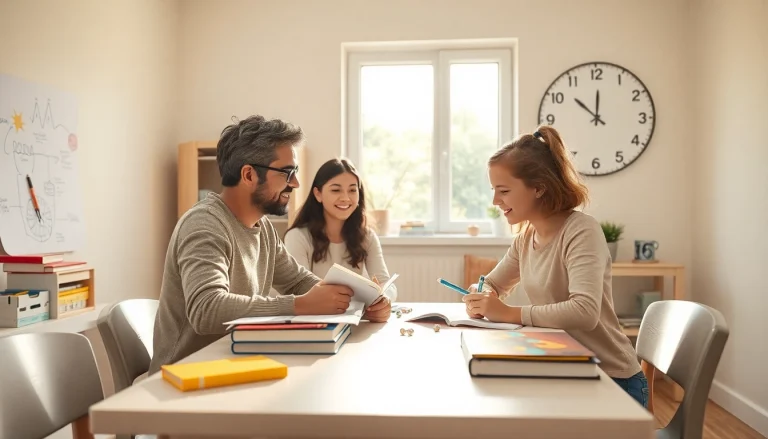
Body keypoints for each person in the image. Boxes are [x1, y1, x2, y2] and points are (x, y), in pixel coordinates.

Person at [149, 115, 354, 374]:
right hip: (186, 377)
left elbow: (297, 281)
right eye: (287, 173)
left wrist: (355, 298)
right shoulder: (204, 224)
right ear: (248, 174)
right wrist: (300, 304)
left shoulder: (262, 227)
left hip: (233, 364)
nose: (296, 184)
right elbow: (207, 308)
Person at [463, 125, 648, 408]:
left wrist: (511, 313)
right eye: (493, 190)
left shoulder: (581, 231)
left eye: (503, 191)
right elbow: (493, 283)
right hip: (567, 368)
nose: (495, 201)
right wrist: (482, 294)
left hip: (611, 379)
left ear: (539, 188)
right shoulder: (526, 238)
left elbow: (585, 312)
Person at [284, 158, 394, 322]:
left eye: (352, 190)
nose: (345, 198)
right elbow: (297, 291)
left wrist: (384, 300)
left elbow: (387, 284)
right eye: (336, 190)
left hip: (352, 321)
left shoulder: (367, 236)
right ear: (318, 194)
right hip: (313, 322)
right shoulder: (298, 236)